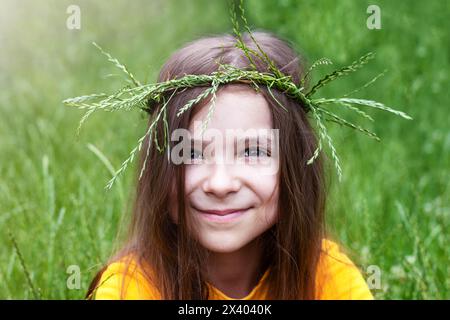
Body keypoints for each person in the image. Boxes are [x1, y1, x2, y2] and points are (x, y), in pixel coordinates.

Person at [86, 31, 374, 300]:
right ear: (157, 168)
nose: (220, 184)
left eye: (253, 151)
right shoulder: (130, 288)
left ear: (296, 166)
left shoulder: (327, 279)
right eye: (191, 153)